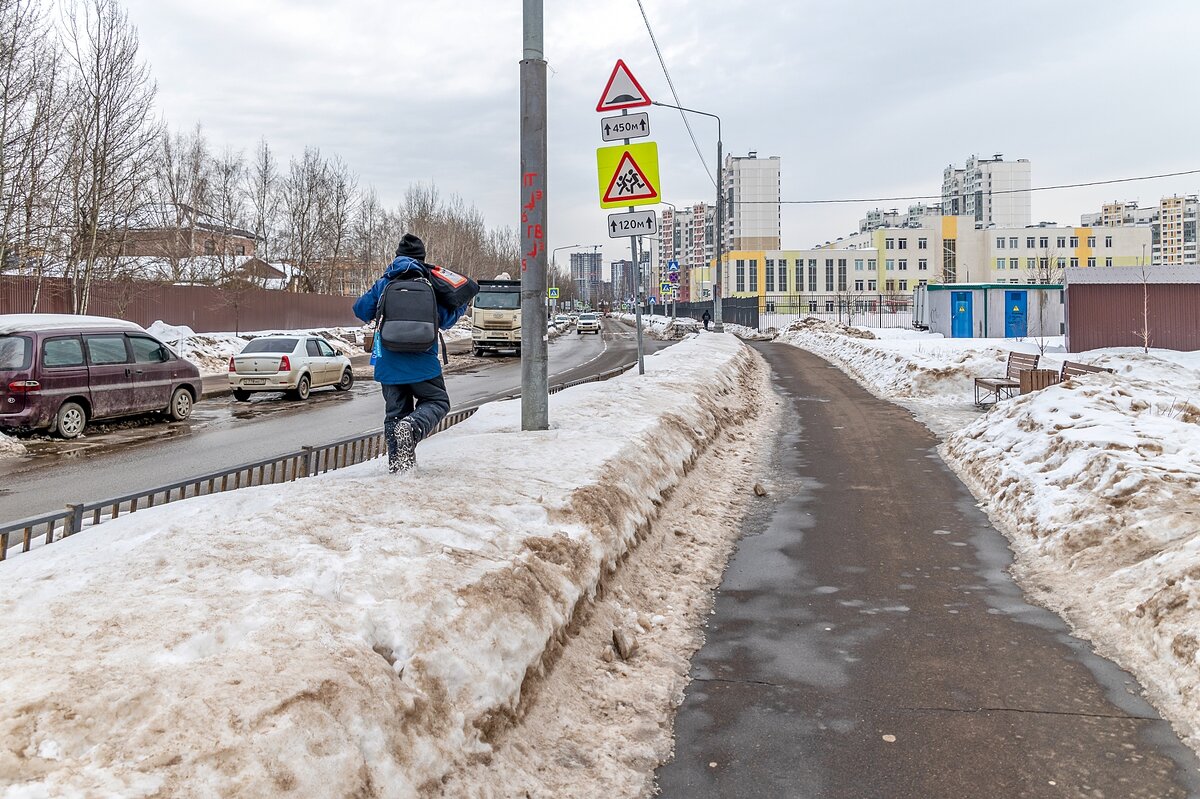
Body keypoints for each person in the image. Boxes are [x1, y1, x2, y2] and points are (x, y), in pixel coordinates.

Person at [354, 234, 468, 473]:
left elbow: (361, 310)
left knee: (395, 415)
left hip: (389, 363)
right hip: (422, 363)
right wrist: (460, 306)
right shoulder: (430, 284)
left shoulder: (385, 282)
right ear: (422, 258)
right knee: (438, 401)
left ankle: (400, 469)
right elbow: (446, 321)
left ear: (397, 257)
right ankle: (413, 425)